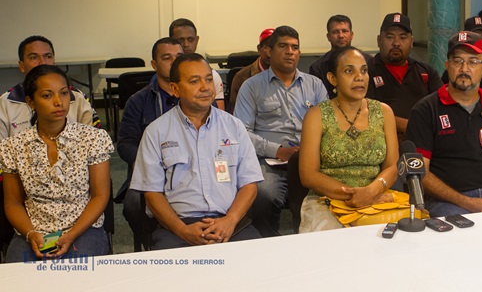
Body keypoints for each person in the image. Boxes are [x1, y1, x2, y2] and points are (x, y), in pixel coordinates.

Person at [129, 53, 263, 250]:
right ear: (175, 89)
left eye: (208, 79)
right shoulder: (156, 132)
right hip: (179, 227)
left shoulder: (233, 126)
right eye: (194, 81)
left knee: (262, 269)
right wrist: (182, 230)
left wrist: (230, 221)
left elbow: (250, 184)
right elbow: (152, 194)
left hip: (231, 224)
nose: (205, 87)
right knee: (174, 277)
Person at [405, 31, 482, 217]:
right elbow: (420, 172)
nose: (464, 68)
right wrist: (466, 202)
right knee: (458, 229)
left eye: (473, 61)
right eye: (458, 61)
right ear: (447, 66)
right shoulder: (426, 109)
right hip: (449, 202)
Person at [0, 65, 113, 262]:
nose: (58, 102)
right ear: (30, 102)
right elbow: (13, 202)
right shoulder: (14, 146)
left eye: (63, 93)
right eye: (47, 95)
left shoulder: (92, 138)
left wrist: (71, 234)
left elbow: (100, 195)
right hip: (34, 230)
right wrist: (30, 233)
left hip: (82, 228)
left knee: (74, 274)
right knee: (18, 279)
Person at [234, 25, 328, 237]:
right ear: (270, 51)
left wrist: (310, 150)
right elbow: (241, 132)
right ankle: (267, 244)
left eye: (295, 47)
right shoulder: (252, 86)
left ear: (299, 53)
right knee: (263, 194)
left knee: (321, 196)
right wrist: (277, 150)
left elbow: (329, 127)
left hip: (309, 160)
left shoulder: (315, 85)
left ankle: (308, 245)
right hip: (269, 161)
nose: (290, 51)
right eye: (283, 46)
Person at [298, 46, 399, 232]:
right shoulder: (316, 115)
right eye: (349, 71)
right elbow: (308, 175)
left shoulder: (384, 112)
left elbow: (392, 166)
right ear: (332, 79)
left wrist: (372, 192)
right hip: (327, 200)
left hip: (377, 197)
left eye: (364, 70)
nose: (359, 77)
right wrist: (355, 196)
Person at [114, 37, 183, 249]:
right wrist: (152, 162)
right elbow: (125, 144)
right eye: (166, 58)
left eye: (178, 58)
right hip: (150, 171)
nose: (173, 63)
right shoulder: (138, 101)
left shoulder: (194, 96)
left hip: (188, 169)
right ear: (154, 64)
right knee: (134, 205)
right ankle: (153, 248)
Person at [0, 35, 100, 139]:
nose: (42, 62)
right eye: (34, 57)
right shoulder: (6, 102)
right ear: (21, 65)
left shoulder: (77, 98)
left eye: (48, 56)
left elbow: (92, 142)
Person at [367, 13, 443, 141]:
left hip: (423, 142)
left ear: (411, 42)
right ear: (379, 40)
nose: (396, 43)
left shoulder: (427, 72)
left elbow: (441, 107)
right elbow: (365, 112)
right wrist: (410, 126)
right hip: (380, 143)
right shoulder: (365, 71)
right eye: (390, 37)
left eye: (403, 38)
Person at [309, 15, 371, 98]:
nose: (341, 36)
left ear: (351, 35)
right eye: (335, 32)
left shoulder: (368, 61)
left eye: (344, 31)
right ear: (328, 37)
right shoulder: (318, 67)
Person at [169, 18, 225, 110]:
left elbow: (220, 114)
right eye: (180, 40)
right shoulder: (164, 75)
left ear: (197, 40)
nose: (186, 44)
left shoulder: (212, 75)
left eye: (190, 39)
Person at [227, 28, 274, 114]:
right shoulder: (242, 77)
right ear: (259, 48)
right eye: (266, 47)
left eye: (273, 47)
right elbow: (233, 111)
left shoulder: (284, 75)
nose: (269, 53)